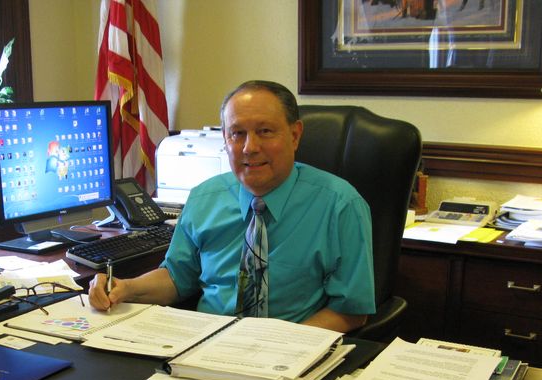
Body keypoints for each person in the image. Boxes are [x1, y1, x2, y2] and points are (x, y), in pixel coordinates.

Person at [88, 80, 375, 333]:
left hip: (293, 350)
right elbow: (177, 278)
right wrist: (127, 287)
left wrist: (287, 346)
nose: (249, 147)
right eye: (237, 134)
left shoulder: (340, 205)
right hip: (206, 344)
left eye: (265, 131)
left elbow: (350, 311)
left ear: (295, 135)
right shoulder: (204, 198)